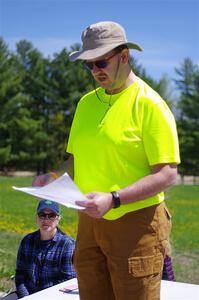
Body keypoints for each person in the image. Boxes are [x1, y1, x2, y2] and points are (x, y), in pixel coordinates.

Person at [34, 21, 180, 300]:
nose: (94, 71)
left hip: (136, 223)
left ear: (124, 56)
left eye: (101, 62)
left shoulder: (150, 104)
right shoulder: (86, 103)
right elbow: (75, 160)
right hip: (89, 222)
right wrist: (52, 177)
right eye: (88, 65)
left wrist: (113, 199)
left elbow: (166, 174)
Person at [15, 199, 76, 298]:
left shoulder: (67, 244)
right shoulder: (27, 241)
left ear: (58, 218)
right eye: (42, 215)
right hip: (28, 296)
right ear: (36, 217)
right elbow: (20, 275)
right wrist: (26, 297)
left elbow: (67, 280)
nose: (46, 220)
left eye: (51, 215)